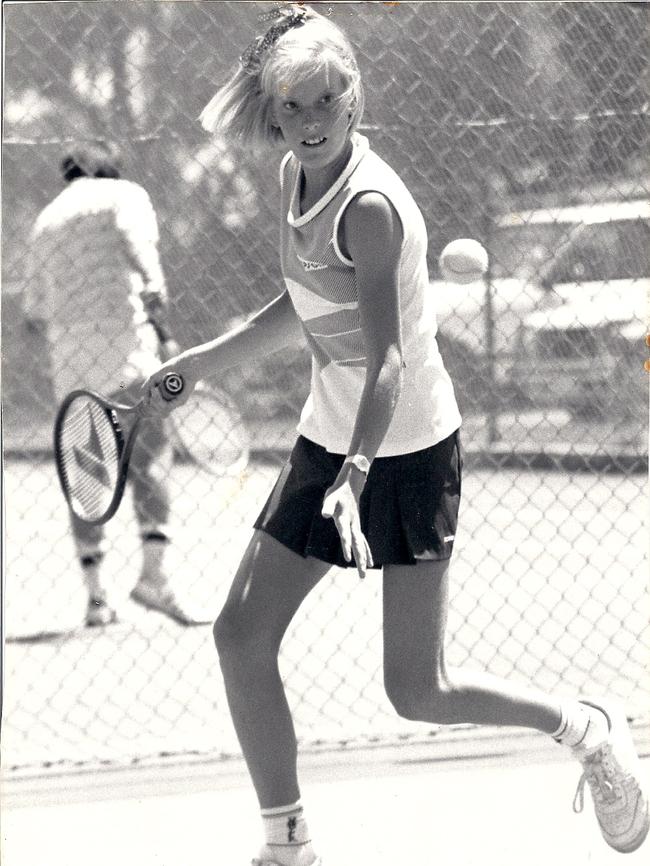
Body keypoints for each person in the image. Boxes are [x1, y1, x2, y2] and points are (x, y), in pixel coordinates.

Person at [143, 6, 648, 864]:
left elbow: (387, 365)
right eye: (290, 107)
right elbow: (303, 308)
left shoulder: (368, 209)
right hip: (327, 438)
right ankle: (287, 843)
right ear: (276, 112)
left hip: (405, 451)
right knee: (240, 634)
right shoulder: (293, 181)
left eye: (323, 102)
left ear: (353, 99)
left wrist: (358, 471)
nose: (307, 122)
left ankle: (586, 727)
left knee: (417, 688)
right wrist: (196, 364)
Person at [23, 141, 209, 628]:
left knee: (89, 476)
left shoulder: (46, 220)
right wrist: (163, 325)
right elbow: (140, 252)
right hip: (126, 349)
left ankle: (97, 599)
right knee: (150, 458)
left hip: (71, 364)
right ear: (108, 167)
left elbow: (34, 311)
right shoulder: (123, 194)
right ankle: (153, 578)